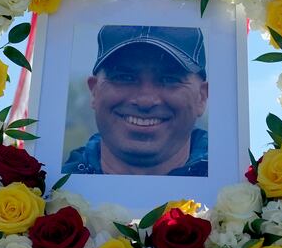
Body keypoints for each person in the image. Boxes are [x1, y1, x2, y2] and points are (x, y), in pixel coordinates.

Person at [62, 25, 209, 176]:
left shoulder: (229, 182)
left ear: (201, 97)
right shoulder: (48, 190)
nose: (145, 101)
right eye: (124, 77)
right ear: (94, 92)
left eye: (169, 79)